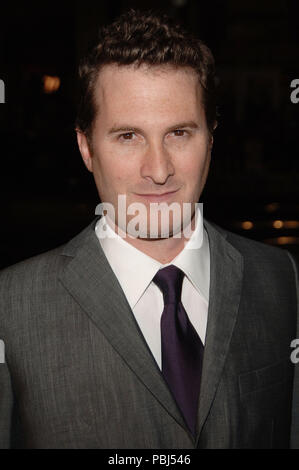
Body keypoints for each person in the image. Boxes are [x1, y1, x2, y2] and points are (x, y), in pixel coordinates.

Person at [0, 9, 298, 449]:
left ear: (211, 138)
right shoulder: (11, 307)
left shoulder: (281, 278)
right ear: (85, 147)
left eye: (179, 133)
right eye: (127, 136)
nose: (158, 170)